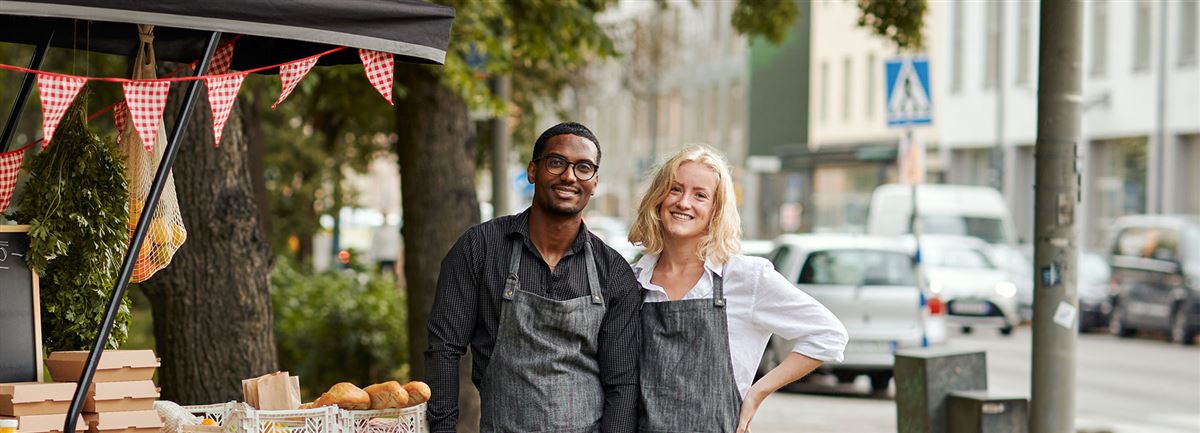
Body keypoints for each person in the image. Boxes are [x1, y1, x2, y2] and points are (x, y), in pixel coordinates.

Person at [425, 122, 641, 433]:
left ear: (594, 183)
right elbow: (443, 348)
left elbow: (621, 384)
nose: (569, 175)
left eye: (583, 168)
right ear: (532, 171)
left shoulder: (614, 273)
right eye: (556, 162)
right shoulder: (480, 249)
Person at [628, 145, 848, 433]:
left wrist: (757, 393)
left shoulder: (745, 278)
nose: (684, 202)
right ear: (658, 197)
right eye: (675, 189)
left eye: (700, 195)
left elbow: (829, 335)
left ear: (715, 210)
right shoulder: (634, 280)